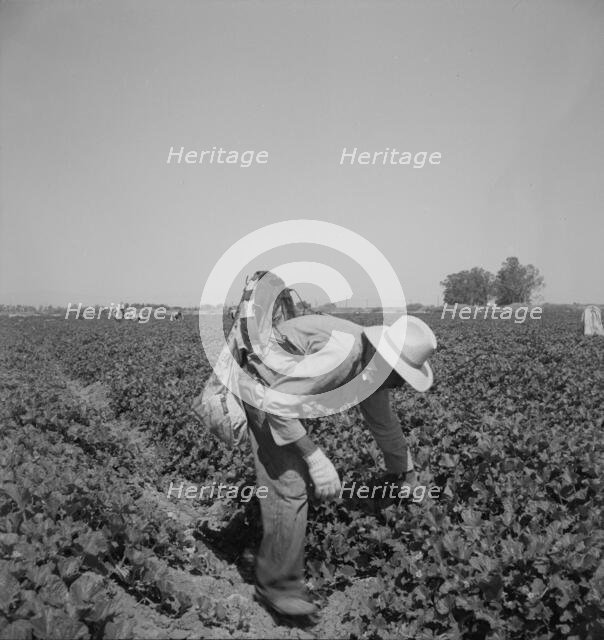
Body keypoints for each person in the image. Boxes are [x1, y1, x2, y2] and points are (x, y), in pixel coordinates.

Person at [242, 312, 437, 619]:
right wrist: (314, 456)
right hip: (264, 387)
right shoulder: (342, 356)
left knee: (298, 473)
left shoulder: (372, 368)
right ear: (386, 360)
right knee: (291, 484)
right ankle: (277, 587)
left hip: (287, 389)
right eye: (400, 376)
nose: (399, 385)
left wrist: (406, 473)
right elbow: (277, 402)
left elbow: (384, 424)